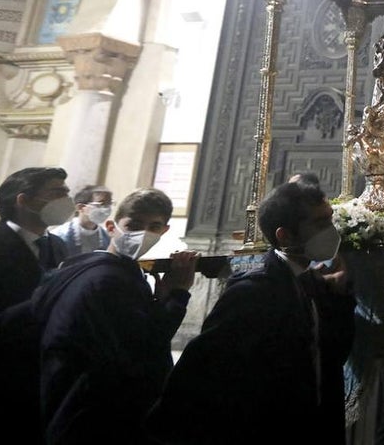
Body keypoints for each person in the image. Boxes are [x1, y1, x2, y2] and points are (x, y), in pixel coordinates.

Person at [147, 180, 356, 444]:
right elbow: (198, 375)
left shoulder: (311, 282)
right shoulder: (252, 294)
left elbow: (328, 358)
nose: (331, 232)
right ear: (285, 235)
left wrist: (340, 298)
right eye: (320, 223)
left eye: (330, 220)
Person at [33, 188, 198, 445]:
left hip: (75, 403)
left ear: (164, 231)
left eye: (153, 226)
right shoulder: (110, 279)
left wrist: (160, 299)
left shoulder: (95, 266)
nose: (143, 233)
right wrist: (177, 295)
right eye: (133, 224)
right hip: (94, 416)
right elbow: (143, 349)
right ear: (111, 226)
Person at [0, 166, 72, 445]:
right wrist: (39, 301)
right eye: (57, 192)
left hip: (48, 373)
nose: (66, 199)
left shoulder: (59, 246)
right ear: (23, 200)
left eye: (67, 192)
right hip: (6, 373)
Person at [50, 184, 113, 260]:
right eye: (101, 204)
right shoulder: (59, 236)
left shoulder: (108, 237)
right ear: (81, 207)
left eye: (109, 204)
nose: (106, 209)